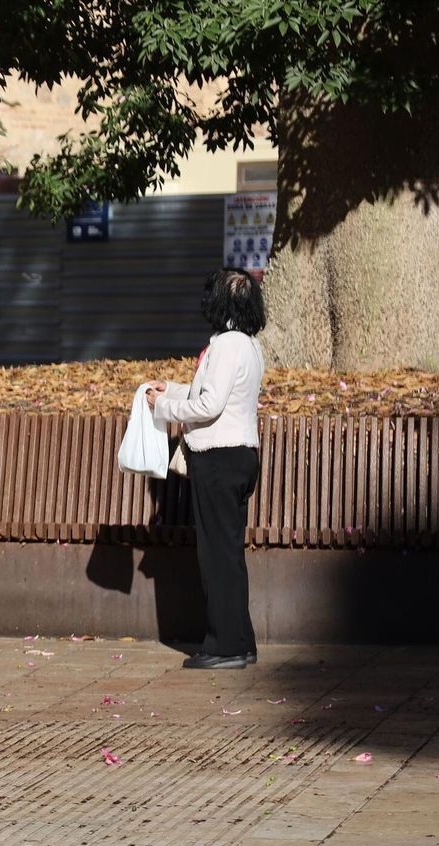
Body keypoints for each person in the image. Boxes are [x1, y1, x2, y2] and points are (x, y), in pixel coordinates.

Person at [146, 268, 266, 670]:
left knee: (216, 556)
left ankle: (225, 646)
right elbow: (216, 396)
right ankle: (240, 640)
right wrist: (174, 389)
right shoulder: (248, 345)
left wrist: (164, 407)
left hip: (218, 458)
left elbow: (208, 407)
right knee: (228, 554)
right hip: (241, 454)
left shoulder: (226, 346)